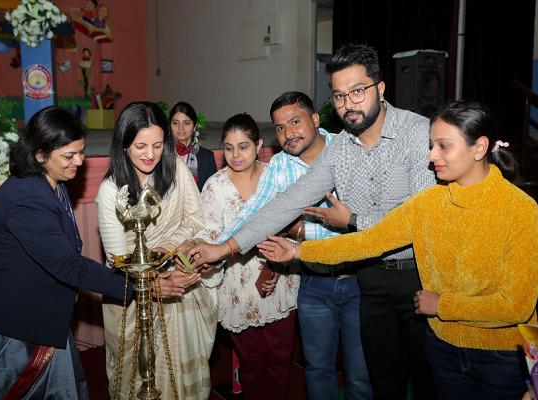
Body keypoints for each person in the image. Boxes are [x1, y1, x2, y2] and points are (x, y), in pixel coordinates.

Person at [187, 42, 437, 399]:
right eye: (339, 96)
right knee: (384, 382)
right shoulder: (340, 150)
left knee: (430, 382)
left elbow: (418, 217)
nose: (348, 104)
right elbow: (288, 201)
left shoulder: (416, 132)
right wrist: (225, 247)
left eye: (358, 92)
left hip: (419, 275)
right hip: (371, 280)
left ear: (380, 90)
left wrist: (353, 219)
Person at [258, 100, 538, 400]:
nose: (432, 157)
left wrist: (442, 305)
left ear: (479, 148)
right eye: (431, 145)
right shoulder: (426, 204)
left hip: (500, 358)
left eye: (443, 146)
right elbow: (368, 241)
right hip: (443, 348)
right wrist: (298, 252)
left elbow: (516, 305)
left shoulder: (520, 210)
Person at [0, 106, 133, 399]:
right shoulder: (26, 199)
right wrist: (135, 285)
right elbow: (68, 265)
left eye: (81, 151)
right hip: (9, 327)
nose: (79, 161)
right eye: (69, 155)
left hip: (41, 316)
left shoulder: (51, 182)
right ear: (40, 155)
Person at [216, 92, 372, 399]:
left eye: (295, 122)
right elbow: (259, 212)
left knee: (359, 375)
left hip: (359, 279)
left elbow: (369, 217)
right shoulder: (279, 167)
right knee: (317, 369)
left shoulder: (350, 150)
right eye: (280, 128)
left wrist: (301, 228)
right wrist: (219, 249)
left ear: (315, 120)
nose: (289, 133)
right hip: (312, 282)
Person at [95, 101, 216, 400]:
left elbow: (195, 218)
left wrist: (166, 247)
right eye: (140, 146)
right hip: (131, 293)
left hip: (178, 283)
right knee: (135, 379)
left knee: (178, 378)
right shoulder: (111, 190)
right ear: (123, 145)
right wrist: (152, 283)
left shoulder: (175, 170)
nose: (150, 155)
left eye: (158, 145)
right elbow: (116, 258)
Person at [189, 113, 299, 400]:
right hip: (238, 287)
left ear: (259, 144)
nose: (235, 155)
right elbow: (211, 236)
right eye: (228, 148)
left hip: (280, 280)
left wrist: (275, 268)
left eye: (243, 146)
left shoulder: (276, 177)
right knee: (251, 366)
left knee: (279, 363)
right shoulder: (215, 186)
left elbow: (291, 224)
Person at [169, 101, 217, 191]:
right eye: (175, 123)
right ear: (169, 125)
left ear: (195, 126)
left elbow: (211, 192)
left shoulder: (207, 157)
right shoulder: (161, 154)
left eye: (186, 123)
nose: (181, 128)